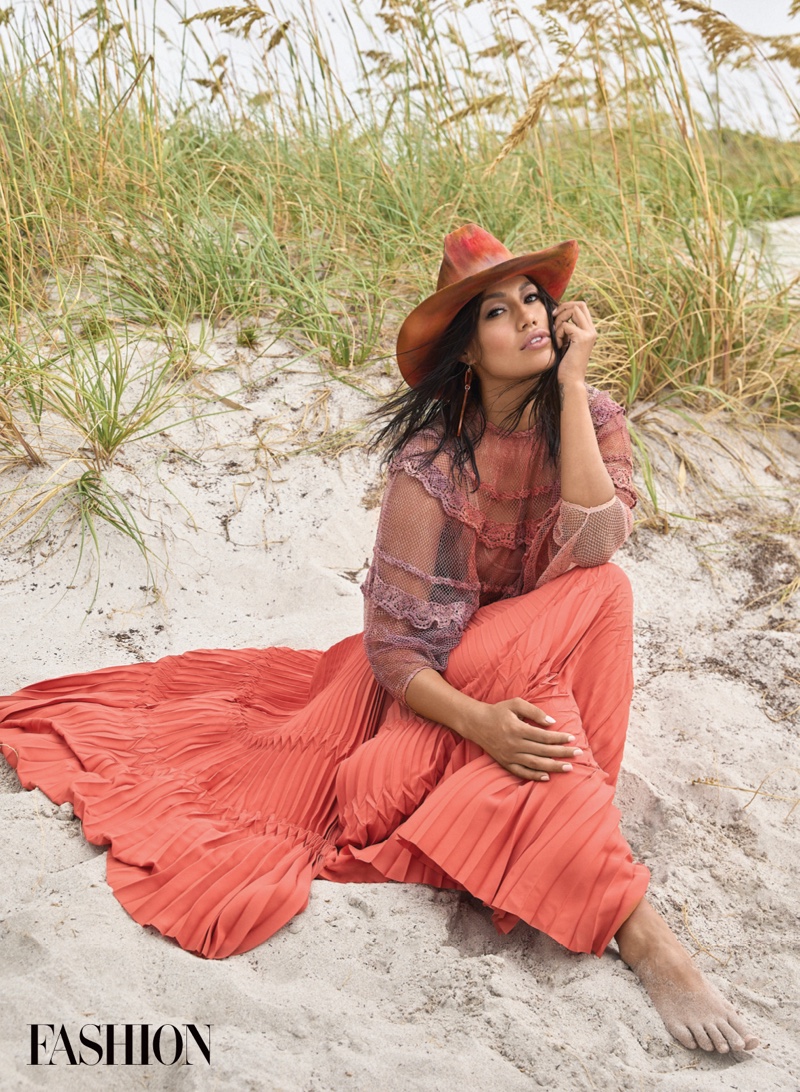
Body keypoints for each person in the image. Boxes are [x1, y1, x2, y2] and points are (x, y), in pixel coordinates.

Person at [0, 224, 757, 1056]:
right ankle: (641, 928)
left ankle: (554, 828)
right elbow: (396, 655)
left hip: (552, 660)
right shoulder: (432, 461)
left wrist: (573, 388)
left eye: (534, 300)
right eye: (500, 313)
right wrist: (481, 724)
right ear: (468, 351)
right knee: (573, 641)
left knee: (602, 590)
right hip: (440, 691)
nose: (533, 319)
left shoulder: (591, 416)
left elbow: (593, 543)